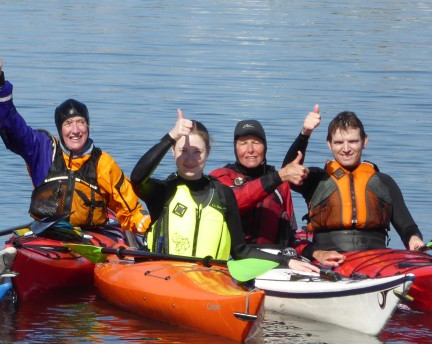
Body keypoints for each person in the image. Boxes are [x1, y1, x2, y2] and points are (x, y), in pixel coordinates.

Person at [0, 44, 149, 235]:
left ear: (88, 126)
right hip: (47, 234)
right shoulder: (43, 149)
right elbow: (11, 127)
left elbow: (130, 210)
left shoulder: (104, 164)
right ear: (59, 129)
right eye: (68, 123)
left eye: (81, 122)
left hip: (91, 236)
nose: (76, 130)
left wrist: (151, 229)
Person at [129, 110, 318, 273]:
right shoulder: (162, 191)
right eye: (183, 150)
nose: (190, 158)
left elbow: (241, 251)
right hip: (165, 275)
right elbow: (137, 178)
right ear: (173, 151)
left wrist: (286, 261)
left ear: (208, 152)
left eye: (197, 151)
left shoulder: (222, 193)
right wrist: (171, 135)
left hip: (210, 279)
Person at [291, 110, 424, 260]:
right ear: (329, 144)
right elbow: (289, 172)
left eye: (353, 141)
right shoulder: (316, 180)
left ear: (364, 141)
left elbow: (407, 226)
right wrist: (305, 133)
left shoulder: (384, 182)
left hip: (376, 261)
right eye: (339, 142)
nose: (346, 149)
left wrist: (414, 238)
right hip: (327, 260)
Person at [208, 107, 317, 247]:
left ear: (265, 148)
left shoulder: (281, 184)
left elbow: (290, 233)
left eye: (256, 142)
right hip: (231, 258)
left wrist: (313, 252)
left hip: (271, 259)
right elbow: (235, 202)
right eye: (243, 143)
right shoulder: (221, 176)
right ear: (235, 149)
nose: (250, 149)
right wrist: (280, 176)